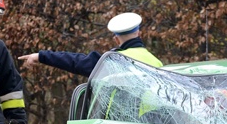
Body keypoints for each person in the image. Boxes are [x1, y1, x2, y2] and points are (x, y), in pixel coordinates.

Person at [18, 12, 162, 77]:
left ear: (116, 40)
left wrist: (41, 56)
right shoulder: (157, 63)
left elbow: (75, 62)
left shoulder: (114, 61)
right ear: (140, 34)